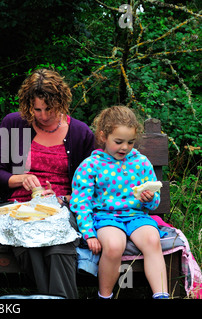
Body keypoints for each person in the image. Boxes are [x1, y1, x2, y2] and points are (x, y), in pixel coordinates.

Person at [0, 68, 95, 298]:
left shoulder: (80, 132)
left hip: (62, 206)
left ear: (61, 102)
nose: (43, 115)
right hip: (20, 207)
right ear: (28, 105)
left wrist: (64, 199)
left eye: (49, 109)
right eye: (37, 109)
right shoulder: (13, 124)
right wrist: (20, 179)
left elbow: (92, 182)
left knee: (59, 243)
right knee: (30, 243)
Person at [70, 105, 169, 299]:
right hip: (106, 217)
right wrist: (89, 233)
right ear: (103, 137)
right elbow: (81, 202)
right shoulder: (91, 165)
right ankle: (105, 295)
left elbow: (154, 201)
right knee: (115, 245)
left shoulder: (141, 162)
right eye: (118, 141)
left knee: (152, 239)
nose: (125, 147)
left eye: (131, 142)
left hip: (136, 216)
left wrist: (149, 199)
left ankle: (162, 295)